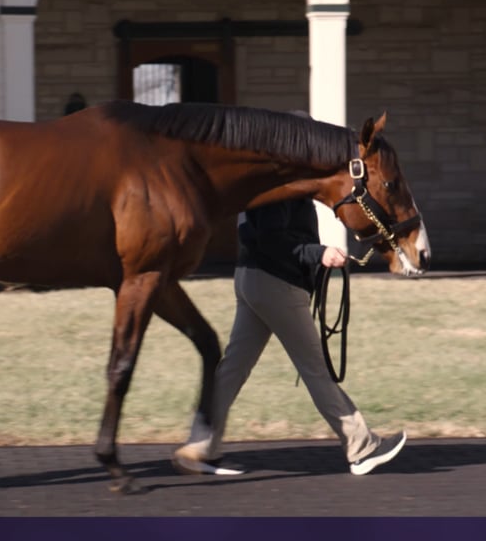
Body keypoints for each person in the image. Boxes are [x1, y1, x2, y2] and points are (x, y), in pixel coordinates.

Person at [173, 196, 407, 477]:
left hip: (250, 277)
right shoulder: (283, 185)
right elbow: (273, 240)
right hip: (277, 284)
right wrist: (318, 253)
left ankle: (199, 447)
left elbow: (250, 232)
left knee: (233, 368)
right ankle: (362, 448)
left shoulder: (262, 180)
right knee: (316, 369)